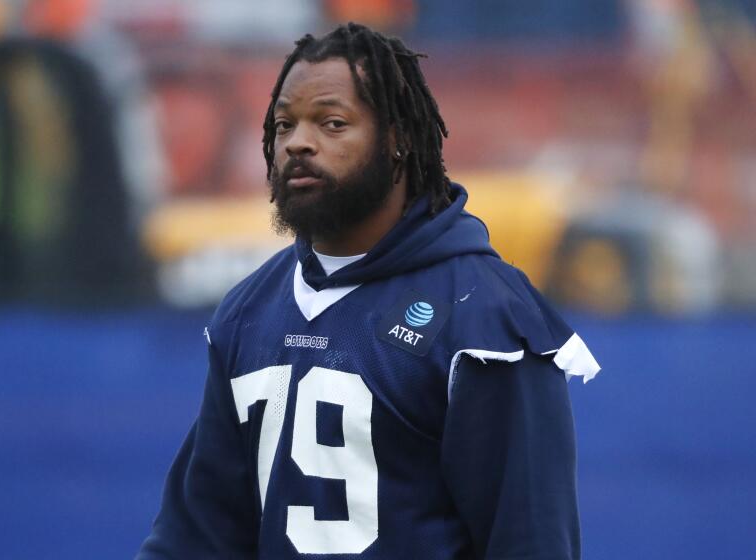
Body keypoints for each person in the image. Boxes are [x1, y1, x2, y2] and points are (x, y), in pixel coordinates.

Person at [137, 22, 600, 559]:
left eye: (332, 123)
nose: (298, 143)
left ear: (399, 138)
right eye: (284, 125)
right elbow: (196, 537)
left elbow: (529, 543)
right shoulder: (249, 309)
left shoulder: (484, 318)